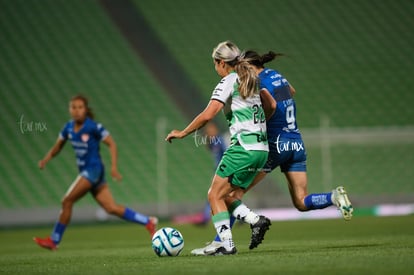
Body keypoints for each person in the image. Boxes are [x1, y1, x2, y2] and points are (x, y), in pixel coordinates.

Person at [191, 50, 354, 255]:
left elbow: (271, 105)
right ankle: (333, 197)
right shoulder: (277, 75)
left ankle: (223, 241)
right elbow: (291, 91)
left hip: (275, 144)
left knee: (231, 194)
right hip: (296, 143)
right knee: (301, 202)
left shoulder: (256, 82)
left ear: (250, 66)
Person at [165, 41, 274, 255]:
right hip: (261, 148)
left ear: (220, 62)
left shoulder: (229, 80)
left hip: (242, 148)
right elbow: (270, 105)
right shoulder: (251, 78)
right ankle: (254, 220)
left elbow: (208, 114)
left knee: (214, 194)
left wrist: (183, 133)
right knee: (227, 195)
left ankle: (226, 243)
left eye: (214, 63)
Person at [33, 95, 158, 251]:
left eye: (80, 107)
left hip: (93, 170)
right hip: (89, 173)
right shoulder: (68, 128)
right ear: (69, 109)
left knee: (67, 201)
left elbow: (111, 143)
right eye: (73, 107)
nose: (77, 111)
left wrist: (114, 167)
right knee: (111, 208)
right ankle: (148, 221)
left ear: (85, 109)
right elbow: (58, 146)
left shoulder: (93, 127)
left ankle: (54, 240)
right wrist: (46, 159)